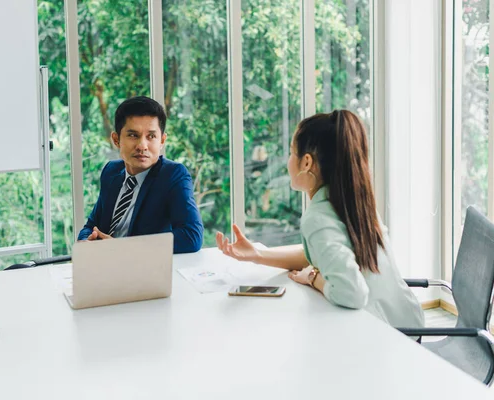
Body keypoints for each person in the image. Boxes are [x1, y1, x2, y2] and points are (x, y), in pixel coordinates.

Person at [216, 110, 424, 328]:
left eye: (291, 153)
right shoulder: (354, 202)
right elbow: (319, 254)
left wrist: (313, 277)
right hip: (407, 323)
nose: (288, 162)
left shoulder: (318, 217)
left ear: (306, 162)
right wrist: (257, 254)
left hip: (388, 339)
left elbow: (352, 293)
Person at [77, 96, 203, 254]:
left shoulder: (173, 175)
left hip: (144, 270)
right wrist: (85, 242)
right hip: (104, 265)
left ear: (162, 140)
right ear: (116, 140)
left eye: (151, 136)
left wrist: (123, 248)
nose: (142, 146)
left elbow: (191, 237)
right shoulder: (111, 172)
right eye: (133, 135)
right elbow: (91, 225)